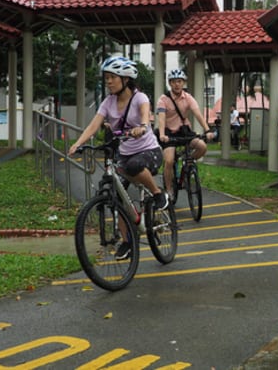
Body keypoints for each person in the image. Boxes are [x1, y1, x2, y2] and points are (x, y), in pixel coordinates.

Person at [69, 55, 167, 259]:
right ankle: (127, 242)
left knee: (134, 166)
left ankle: (158, 194)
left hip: (149, 151)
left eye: (112, 77)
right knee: (116, 195)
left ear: (126, 79)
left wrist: (142, 127)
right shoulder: (108, 102)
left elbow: (145, 114)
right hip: (125, 152)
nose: (108, 82)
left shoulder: (140, 98)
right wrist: (78, 143)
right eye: (106, 78)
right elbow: (94, 125)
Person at [156, 68, 215, 196]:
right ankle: (169, 189)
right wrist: (161, 134)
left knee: (202, 147)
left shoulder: (188, 98)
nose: (177, 84)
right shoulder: (163, 99)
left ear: (183, 83)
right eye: (173, 82)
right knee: (169, 161)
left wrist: (207, 129)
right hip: (168, 133)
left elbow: (198, 114)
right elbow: (161, 118)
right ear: (169, 83)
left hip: (184, 131)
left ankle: (187, 162)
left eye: (179, 81)